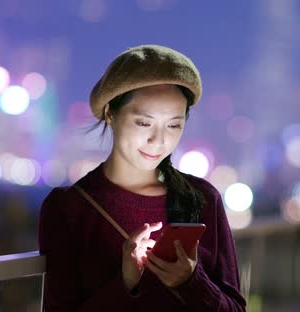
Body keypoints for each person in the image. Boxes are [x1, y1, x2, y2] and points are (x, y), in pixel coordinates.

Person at [38, 45, 247, 311]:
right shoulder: (68, 208)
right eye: (144, 123)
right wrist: (125, 283)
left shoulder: (203, 199)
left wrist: (192, 282)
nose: (158, 140)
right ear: (110, 114)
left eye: (173, 125)